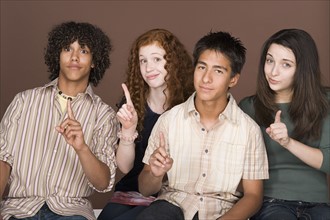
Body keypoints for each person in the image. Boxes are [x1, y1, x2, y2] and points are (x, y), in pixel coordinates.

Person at [136, 31, 269, 220]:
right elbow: (145, 188)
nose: (206, 78)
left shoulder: (249, 130)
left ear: (233, 79)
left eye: (218, 71)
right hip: (172, 205)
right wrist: (155, 174)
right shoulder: (169, 120)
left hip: (221, 211)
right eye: (202, 67)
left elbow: (253, 196)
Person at [0, 21, 119, 220]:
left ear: (94, 61)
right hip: (19, 208)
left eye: (83, 50)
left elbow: (102, 183)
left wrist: (82, 148)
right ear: (57, 55)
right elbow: (3, 160)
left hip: (71, 211)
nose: (74, 57)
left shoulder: (104, 114)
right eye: (67, 48)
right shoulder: (24, 101)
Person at [98, 28, 195, 220]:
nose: (149, 68)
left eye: (157, 59)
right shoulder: (132, 103)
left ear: (173, 61)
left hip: (169, 198)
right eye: (143, 61)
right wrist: (128, 129)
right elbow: (125, 168)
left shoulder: (190, 104)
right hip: (129, 194)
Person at [239, 28, 330, 219]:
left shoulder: (325, 102)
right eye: (270, 60)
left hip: (319, 204)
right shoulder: (249, 107)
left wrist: (288, 142)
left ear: (303, 69)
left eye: (286, 64)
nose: (273, 71)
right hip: (271, 202)